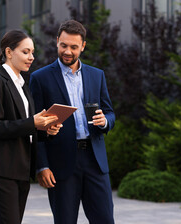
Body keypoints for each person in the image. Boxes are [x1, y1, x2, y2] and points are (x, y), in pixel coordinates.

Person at [29, 20, 116, 224]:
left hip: (95, 162)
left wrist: (105, 121)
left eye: (74, 47)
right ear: (57, 41)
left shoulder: (97, 75)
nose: (67, 51)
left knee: (105, 220)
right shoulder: (40, 78)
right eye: (64, 45)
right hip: (61, 164)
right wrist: (41, 166)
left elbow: (110, 113)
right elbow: (34, 127)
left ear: (83, 46)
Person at [0, 29, 61, 224]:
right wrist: (33, 122)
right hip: (1, 169)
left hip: (21, 169)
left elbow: (25, 128)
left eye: (32, 52)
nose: (31, 57)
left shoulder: (23, 85)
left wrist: (46, 130)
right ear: (8, 52)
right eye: (25, 52)